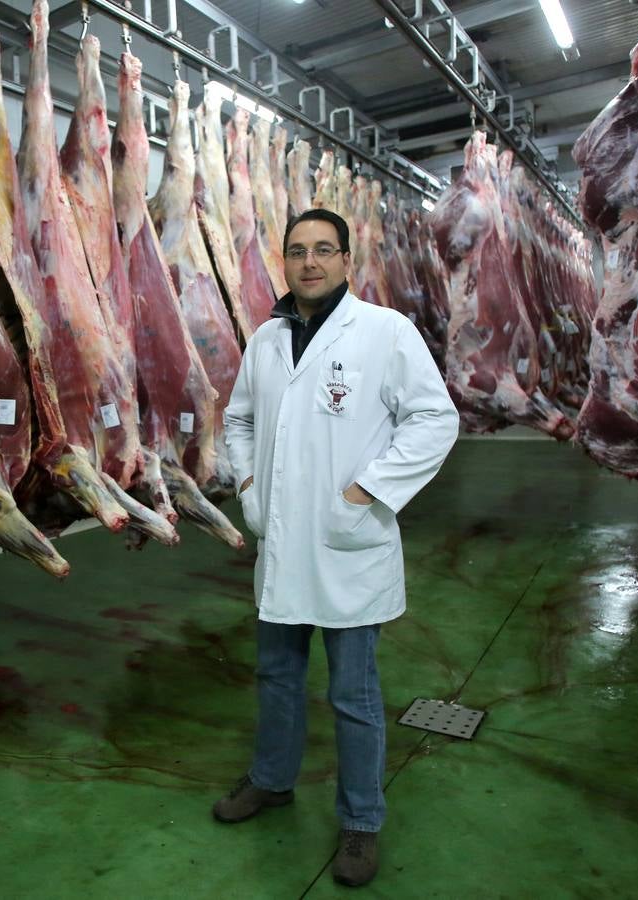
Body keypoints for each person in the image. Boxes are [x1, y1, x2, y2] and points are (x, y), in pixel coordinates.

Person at [216, 208, 459, 888]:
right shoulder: (265, 339)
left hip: (350, 545)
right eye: (297, 251)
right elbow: (237, 419)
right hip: (282, 545)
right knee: (278, 678)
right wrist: (247, 482)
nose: (310, 262)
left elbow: (436, 420)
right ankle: (272, 781)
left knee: (354, 695)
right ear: (285, 262)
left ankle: (360, 822)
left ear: (347, 260)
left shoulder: (384, 332)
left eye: (324, 250)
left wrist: (366, 493)